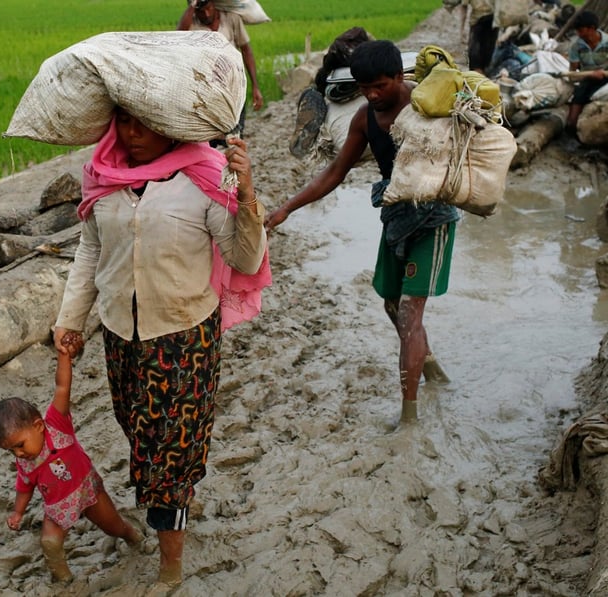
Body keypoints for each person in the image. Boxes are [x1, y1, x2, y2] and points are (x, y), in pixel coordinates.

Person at [52, 108, 269, 586]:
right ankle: (167, 507)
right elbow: (90, 250)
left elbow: (244, 256)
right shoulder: (102, 179)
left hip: (184, 338)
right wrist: (70, 319)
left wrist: (247, 193)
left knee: (172, 456)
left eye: (145, 124)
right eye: (124, 123)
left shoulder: (205, 178)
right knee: (140, 436)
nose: (133, 134)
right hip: (121, 338)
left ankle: (171, 566)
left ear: (171, 126)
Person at [265, 40, 456, 426]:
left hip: (434, 218)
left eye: (380, 86)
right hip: (396, 213)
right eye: (365, 87)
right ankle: (429, 364)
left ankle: (410, 418)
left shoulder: (427, 107)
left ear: (399, 78)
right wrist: (286, 208)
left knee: (408, 313)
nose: (372, 94)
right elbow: (335, 173)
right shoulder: (364, 119)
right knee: (390, 303)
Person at [0, 331, 142, 583]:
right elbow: (24, 487)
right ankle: (64, 580)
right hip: (57, 506)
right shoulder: (25, 462)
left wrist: (64, 356)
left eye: (19, 445)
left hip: (86, 490)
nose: (18, 453)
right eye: (11, 450)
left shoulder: (56, 424)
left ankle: (131, 535)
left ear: (38, 426)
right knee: (49, 542)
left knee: (113, 526)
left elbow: (62, 387)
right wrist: (18, 513)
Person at [178, 0, 265, 135]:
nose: (206, 14)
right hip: (206, 92)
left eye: (208, 8)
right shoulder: (193, 23)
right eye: (201, 11)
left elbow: (246, 51)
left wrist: (255, 87)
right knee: (208, 136)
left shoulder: (231, 18)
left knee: (234, 135)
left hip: (232, 89)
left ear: (214, 5)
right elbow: (179, 35)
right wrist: (192, 5)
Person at [565, 10, 608, 134]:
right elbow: (573, 74)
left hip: (606, 77)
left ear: (592, 28)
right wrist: (590, 74)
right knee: (580, 94)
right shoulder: (576, 47)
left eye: (580, 30)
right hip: (587, 78)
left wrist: (603, 73)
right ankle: (571, 126)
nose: (578, 34)